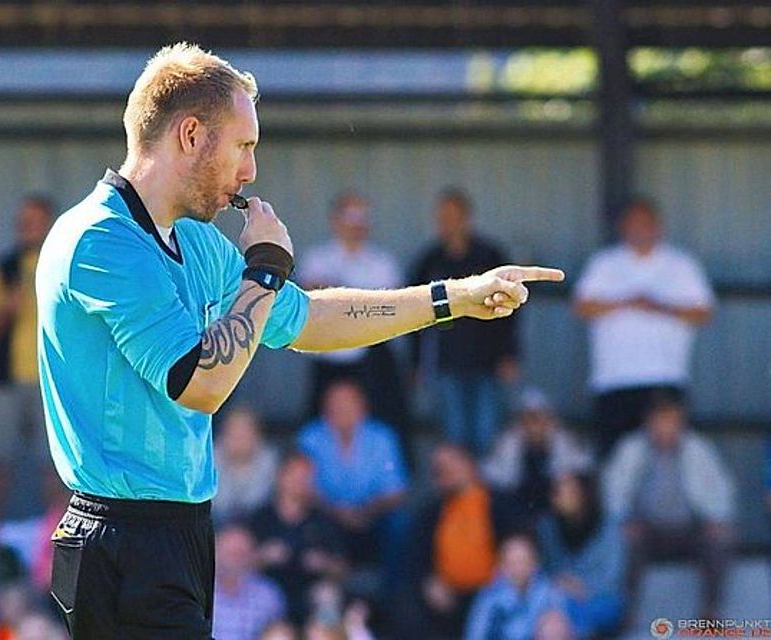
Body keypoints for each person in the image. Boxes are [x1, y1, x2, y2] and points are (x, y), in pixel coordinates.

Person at [36, 42, 563, 639]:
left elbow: (310, 319)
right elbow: (200, 384)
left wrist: (455, 298)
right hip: (121, 538)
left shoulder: (194, 239)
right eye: (244, 146)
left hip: (179, 530)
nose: (250, 171)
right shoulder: (101, 241)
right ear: (189, 135)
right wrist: (263, 269)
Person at [574, 198, 713, 454]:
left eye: (645, 224)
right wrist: (627, 302)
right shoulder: (605, 264)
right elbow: (582, 307)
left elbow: (703, 312)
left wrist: (660, 307)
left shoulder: (681, 265)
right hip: (614, 379)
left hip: (665, 376)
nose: (639, 230)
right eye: (633, 224)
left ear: (658, 227)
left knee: (666, 457)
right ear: (623, 228)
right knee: (614, 457)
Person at [603, 394, 735, 620]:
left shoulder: (698, 448)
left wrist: (717, 518)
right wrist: (623, 519)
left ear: (681, 422)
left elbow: (721, 487)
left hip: (689, 528)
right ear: (648, 422)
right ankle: (624, 613)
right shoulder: (631, 448)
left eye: (672, 420)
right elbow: (613, 488)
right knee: (624, 542)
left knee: (719, 540)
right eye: (660, 421)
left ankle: (710, 612)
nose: (666, 427)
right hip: (647, 528)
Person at [409, 189, 520, 456]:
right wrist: (415, 363)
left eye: (453, 217)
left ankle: (485, 495)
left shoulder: (490, 256)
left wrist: (510, 354)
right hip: (446, 362)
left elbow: (512, 309)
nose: (448, 223)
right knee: (453, 436)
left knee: (487, 434)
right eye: (442, 217)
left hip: (487, 362)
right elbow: (412, 313)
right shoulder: (429, 261)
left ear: (467, 218)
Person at [297, 191, 410, 438]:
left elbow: (394, 309)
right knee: (320, 423)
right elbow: (310, 299)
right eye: (351, 216)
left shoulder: (382, 262)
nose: (357, 224)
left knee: (383, 420)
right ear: (335, 220)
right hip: (327, 357)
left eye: (362, 217)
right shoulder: (317, 258)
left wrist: (336, 292)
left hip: (372, 357)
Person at [296, 379, 409, 570]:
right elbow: (303, 487)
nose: (340, 408)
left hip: (372, 514)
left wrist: (365, 511)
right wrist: (336, 511)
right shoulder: (310, 437)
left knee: (400, 525)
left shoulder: (382, 437)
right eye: (334, 403)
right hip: (326, 514)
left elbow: (396, 489)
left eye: (347, 402)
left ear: (362, 407)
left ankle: (392, 594)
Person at [0, 195, 55, 462]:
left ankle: (57, 508)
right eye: (23, 221)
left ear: (50, 224)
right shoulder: (2, 268)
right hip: (5, 381)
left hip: (52, 380)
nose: (28, 227)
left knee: (55, 468)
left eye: (35, 221)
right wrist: (7, 310)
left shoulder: (65, 263)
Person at [407, 443, 496, 639]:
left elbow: (516, 548)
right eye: (438, 467)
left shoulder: (497, 503)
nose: (443, 470)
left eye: (450, 464)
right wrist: (429, 581)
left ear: (470, 465)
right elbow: (417, 559)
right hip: (448, 598)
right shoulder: (430, 513)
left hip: (491, 594)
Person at [250, 451, 348, 625]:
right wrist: (262, 557)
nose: (301, 482)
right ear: (281, 476)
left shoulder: (322, 520)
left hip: (309, 590)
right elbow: (237, 563)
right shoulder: (260, 517)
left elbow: (342, 568)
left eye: (307, 477)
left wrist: (324, 563)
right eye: (295, 475)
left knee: (327, 595)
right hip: (266, 588)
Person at [483, 388, 593, 536]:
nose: (533, 425)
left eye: (538, 418)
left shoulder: (565, 443)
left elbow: (580, 469)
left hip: (554, 516)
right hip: (517, 515)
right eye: (528, 418)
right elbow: (494, 477)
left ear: (549, 419)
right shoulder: (507, 444)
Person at [537, 473, 625, 638]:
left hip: (602, 598)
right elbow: (546, 569)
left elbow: (613, 576)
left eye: (570, 492)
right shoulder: (547, 527)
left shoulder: (608, 526)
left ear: (584, 494)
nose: (561, 497)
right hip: (562, 597)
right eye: (558, 492)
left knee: (569, 617)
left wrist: (582, 587)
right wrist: (562, 584)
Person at [465, 534, 567, 640]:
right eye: (513, 563)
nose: (519, 568)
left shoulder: (548, 591)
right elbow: (476, 634)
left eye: (524, 561)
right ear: (502, 566)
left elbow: (563, 628)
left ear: (535, 563)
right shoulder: (489, 596)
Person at [212, 523, 287, 640]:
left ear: (252, 555)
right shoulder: (196, 592)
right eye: (230, 553)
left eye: (240, 554)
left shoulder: (268, 595)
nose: (234, 560)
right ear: (214, 552)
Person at [212, 405, 279, 522]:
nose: (239, 441)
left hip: (260, 527)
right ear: (223, 436)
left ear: (257, 436)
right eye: (233, 434)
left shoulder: (271, 462)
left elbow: (265, 504)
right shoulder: (210, 459)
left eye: (244, 434)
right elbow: (217, 504)